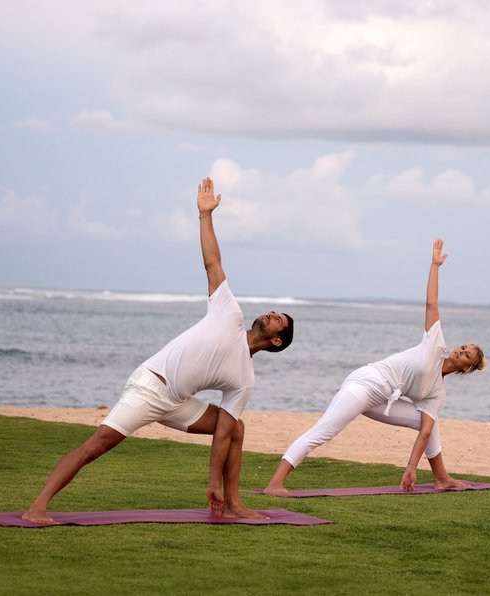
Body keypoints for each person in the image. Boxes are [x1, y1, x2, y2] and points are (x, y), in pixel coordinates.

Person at [22, 177, 294, 524]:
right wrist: (205, 215)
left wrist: (213, 483)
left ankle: (233, 503)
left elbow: (224, 432)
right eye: (273, 312)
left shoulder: (244, 379)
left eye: (278, 321)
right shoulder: (230, 313)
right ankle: (37, 508)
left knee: (236, 428)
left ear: (275, 342)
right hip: (151, 385)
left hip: (178, 403)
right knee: (97, 446)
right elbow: (213, 263)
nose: (271, 314)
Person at [264, 238, 485, 496]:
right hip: (366, 384)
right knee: (325, 430)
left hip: (383, 401)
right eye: (463, 346)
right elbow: (431, 305)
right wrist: (435, 266)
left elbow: (424, 431)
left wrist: (411, 467)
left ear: (466, 369)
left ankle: (441, 478)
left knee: (430, 422)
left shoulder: (437, 392)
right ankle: (275, 483)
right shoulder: (436, 346)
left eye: (466, 354)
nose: (460, 350)